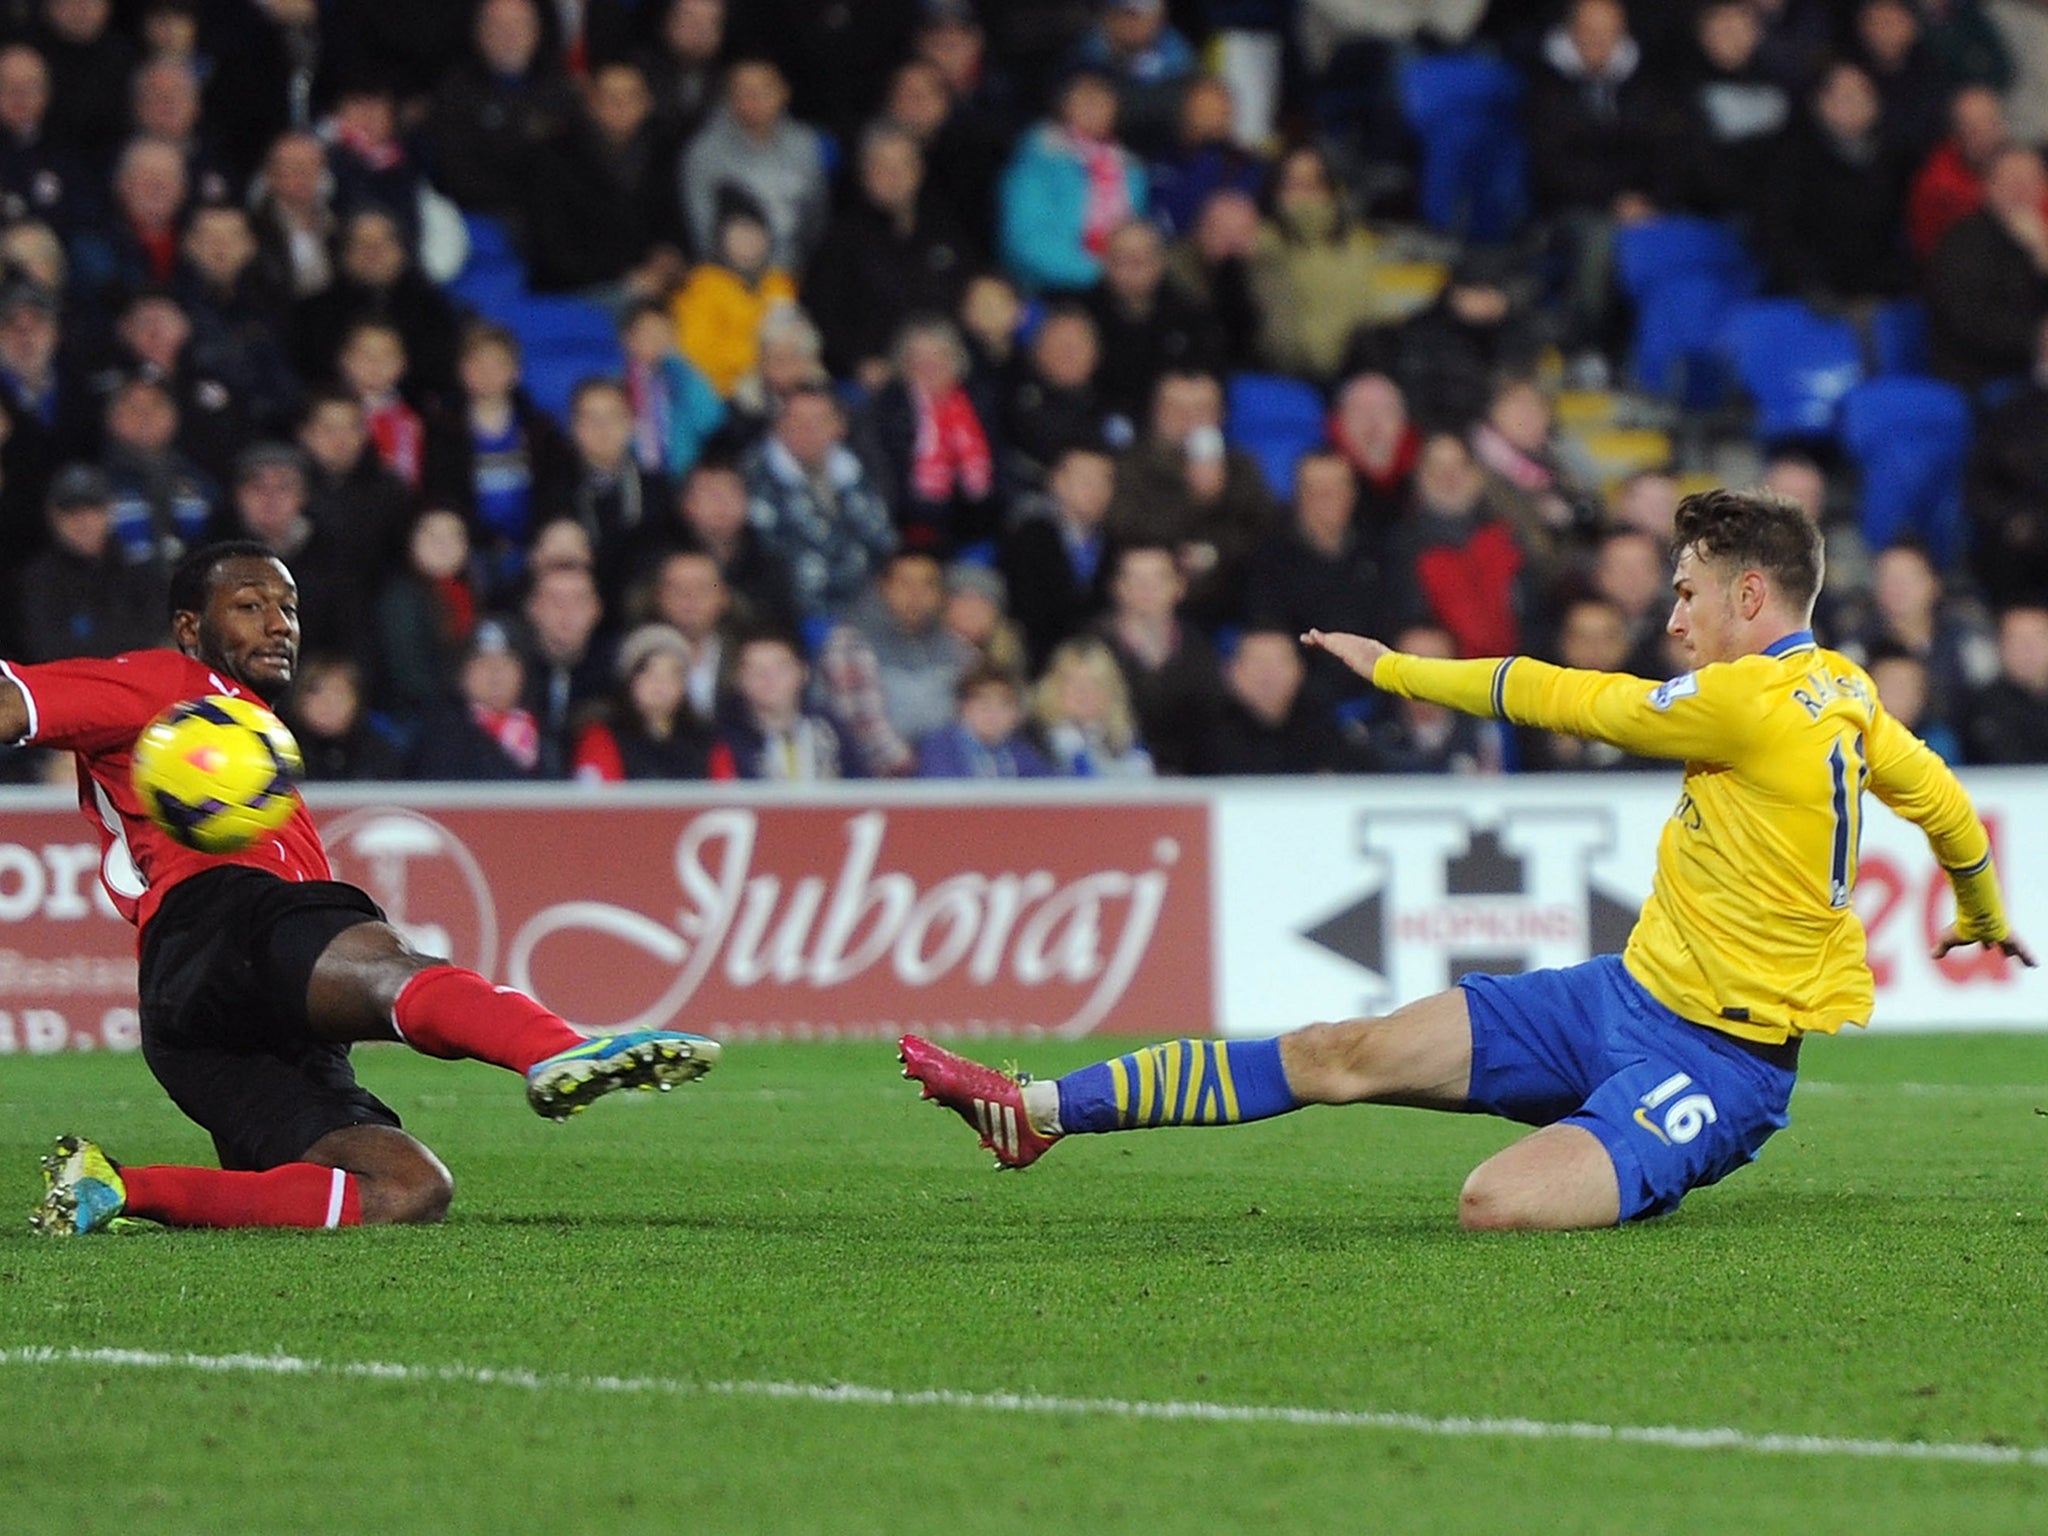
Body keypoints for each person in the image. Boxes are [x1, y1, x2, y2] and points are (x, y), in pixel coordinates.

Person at [903, 487, 2034, 1230]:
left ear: (1749, 595)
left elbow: (1555, 695)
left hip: (1721, 1067)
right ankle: (1036, 1107)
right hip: (1618, 998)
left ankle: (1642, 1148)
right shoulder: (1846, 692)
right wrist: (1979, 910)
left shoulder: (1749, 698)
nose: (1675, 617)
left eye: (1687, 593)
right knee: (1335, 1050)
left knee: (1492, 1206)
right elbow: (1946, 813)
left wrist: (1395, 669)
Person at [6, 540, 720, 1234]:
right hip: (220, 919)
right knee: (386, 968)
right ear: (191, 627)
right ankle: (555, 1048)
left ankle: (113, 1187)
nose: (279, 623)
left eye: (288, 607)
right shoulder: (165, 682)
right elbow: (15, 700)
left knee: (407, 1189)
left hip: (196, 1023)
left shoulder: (241, 720)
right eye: (250, 606)